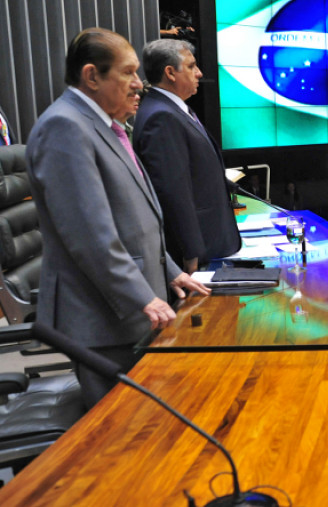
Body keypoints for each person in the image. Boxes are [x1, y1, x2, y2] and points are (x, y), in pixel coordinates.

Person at [26, 28, 209, 408]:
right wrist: (143, 296)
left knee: (151, 424)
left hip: (131, 311)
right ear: (92, 76)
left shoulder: (103, 125)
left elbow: (136, 217)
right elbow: (89, 234)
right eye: (127, 73)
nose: (139, 85)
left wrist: (171, 269)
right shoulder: (65, 127)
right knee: (125, 440)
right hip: (106, 319)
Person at [133, 39, 241, 273]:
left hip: (210, 242)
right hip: (196, 254)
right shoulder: (160, 117)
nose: (200, 73)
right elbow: (173, 191)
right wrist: (191, 252)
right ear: (170, 72)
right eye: (191, 66)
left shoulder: (173, 108)